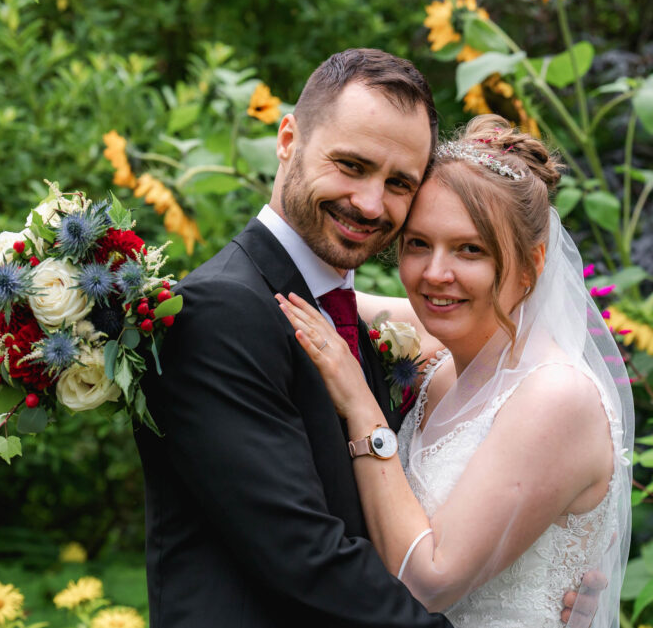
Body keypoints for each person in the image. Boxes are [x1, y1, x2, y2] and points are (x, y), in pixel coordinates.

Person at [134, 48, 451, 627]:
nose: (371, 203)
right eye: (352, 166)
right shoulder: (218, 311)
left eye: (399, 183)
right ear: (288, 140)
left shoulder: (340, 311)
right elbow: (304, 559)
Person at [276, 114, 633, 627]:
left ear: (532, 265)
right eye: (419, 243)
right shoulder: (442, 348)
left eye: (470, 250)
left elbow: (428, 584)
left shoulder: (556, 396)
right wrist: (142, 295)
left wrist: (361, 406)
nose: (435, 274)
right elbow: (302, 294)